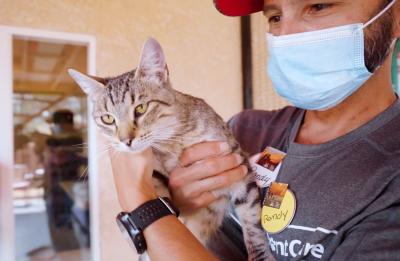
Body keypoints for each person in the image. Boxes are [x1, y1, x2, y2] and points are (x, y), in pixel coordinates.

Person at [110, 0, 400, 260]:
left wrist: (142, 204)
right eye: (274, 17)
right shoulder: (244, 129)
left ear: (396, 15)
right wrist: (178, 206)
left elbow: (146, 214)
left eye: (318, 6)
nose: (285, 35)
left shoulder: (390, 175)